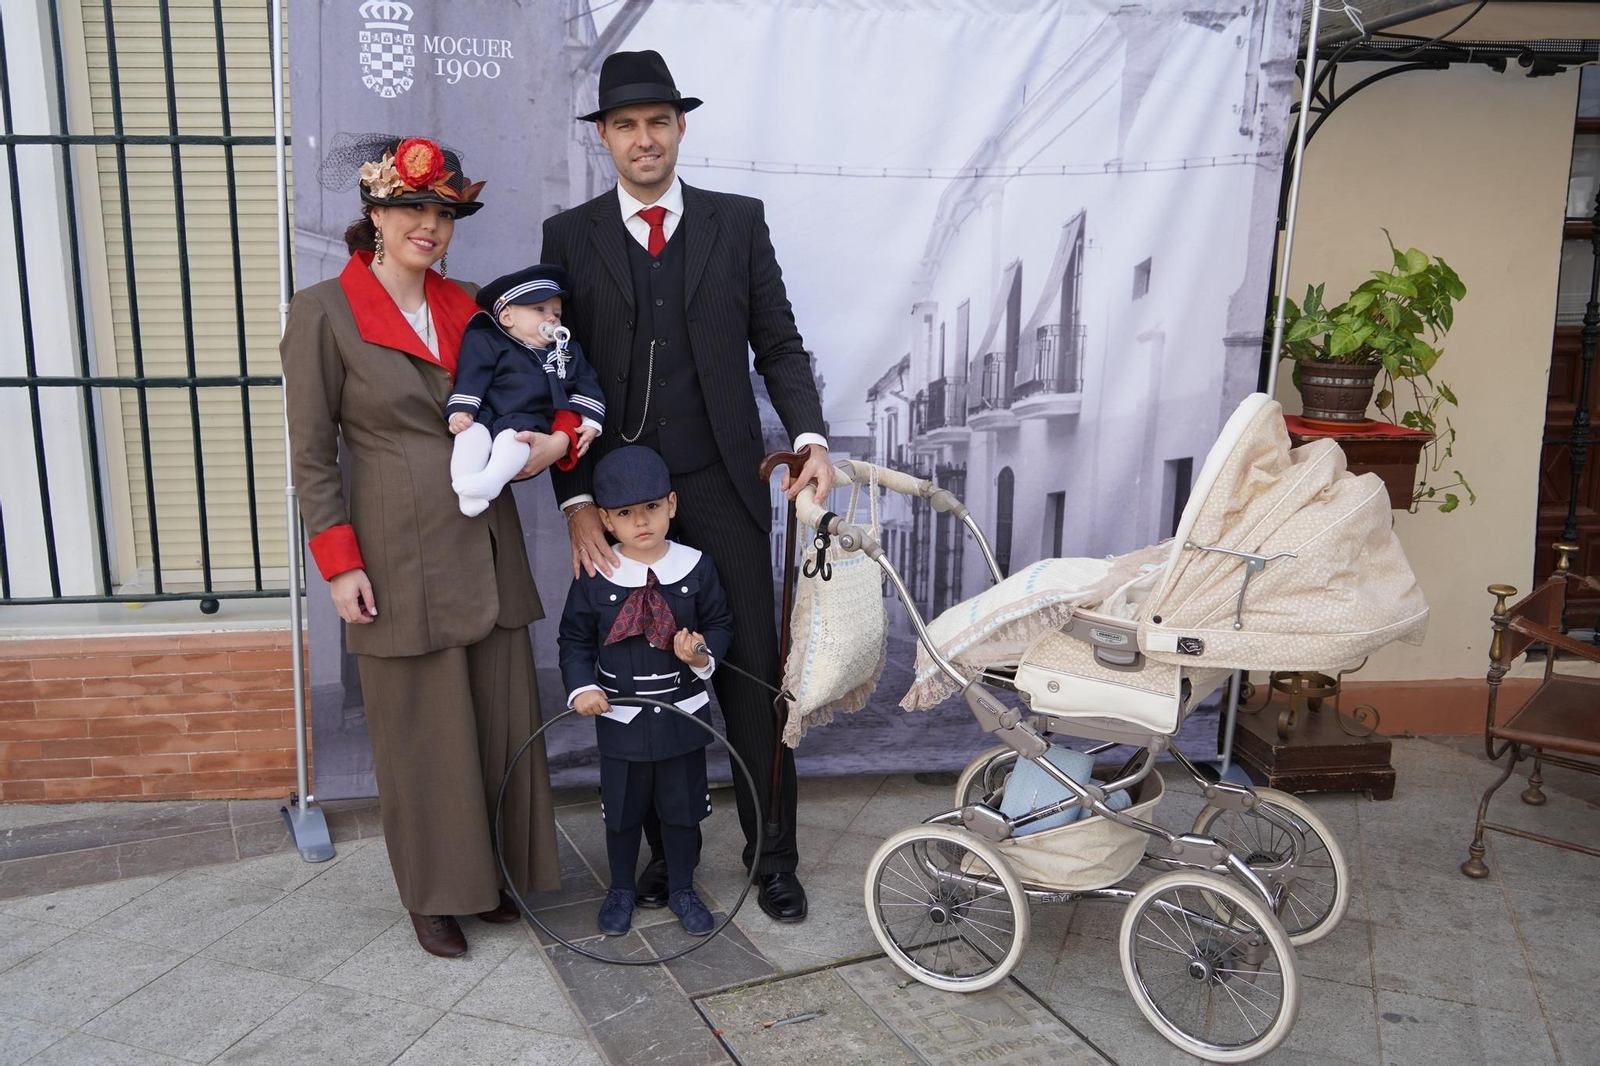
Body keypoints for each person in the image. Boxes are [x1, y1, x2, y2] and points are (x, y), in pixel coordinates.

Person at [541, 49, 834, 923]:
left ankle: (771, 856)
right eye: (626, 125)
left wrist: (809, 435)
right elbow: (558, 377)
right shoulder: (571, 235)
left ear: (680, 128)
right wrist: (574, 499)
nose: (644, 139)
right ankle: (662, 865)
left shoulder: (737, 223)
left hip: (718, 484)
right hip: (619, 494)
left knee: (751, 676)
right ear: (604, 137)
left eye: (659, 122)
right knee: (635, 680)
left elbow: (778, 344)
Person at [282, 134, 568, 958]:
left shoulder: (475, 304)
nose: (429, 225)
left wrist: (544, 444)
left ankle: (496, 879)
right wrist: (340, 565)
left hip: (484, 543)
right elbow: (311, 454)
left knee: (499, 721)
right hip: (393, 554)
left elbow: (531, 393)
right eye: (413, 207)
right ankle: (437, 893)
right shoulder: (321, 312)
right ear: (375, 213)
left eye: (443, 212)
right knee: (421, 734)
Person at [557, 446, 734, 938]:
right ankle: (619, 889)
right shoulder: (597, 573)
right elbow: (573, 637)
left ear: (672, 506)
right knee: (622, 813)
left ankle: (682, 887)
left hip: (682, 715)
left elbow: (719, 623)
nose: (642, 522)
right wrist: (583, 689)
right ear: (606, 521)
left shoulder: (696, 566)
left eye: (652, 508)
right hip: (621, 717)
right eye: (625, 513)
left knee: (681, 812)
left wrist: (701, 654)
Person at [446, 264, 606, 516]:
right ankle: (466, 489)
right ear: (507, 317)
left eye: (556, 312)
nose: (551, 318)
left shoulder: (567, 352)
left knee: (513, 439)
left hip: (528, 423)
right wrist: (461, 410)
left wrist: (592, 421)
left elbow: (586, 383)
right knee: (470, 433)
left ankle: (492, 480)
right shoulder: (491, 342)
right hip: (489, 415)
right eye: (539, 310)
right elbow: (473, 375)